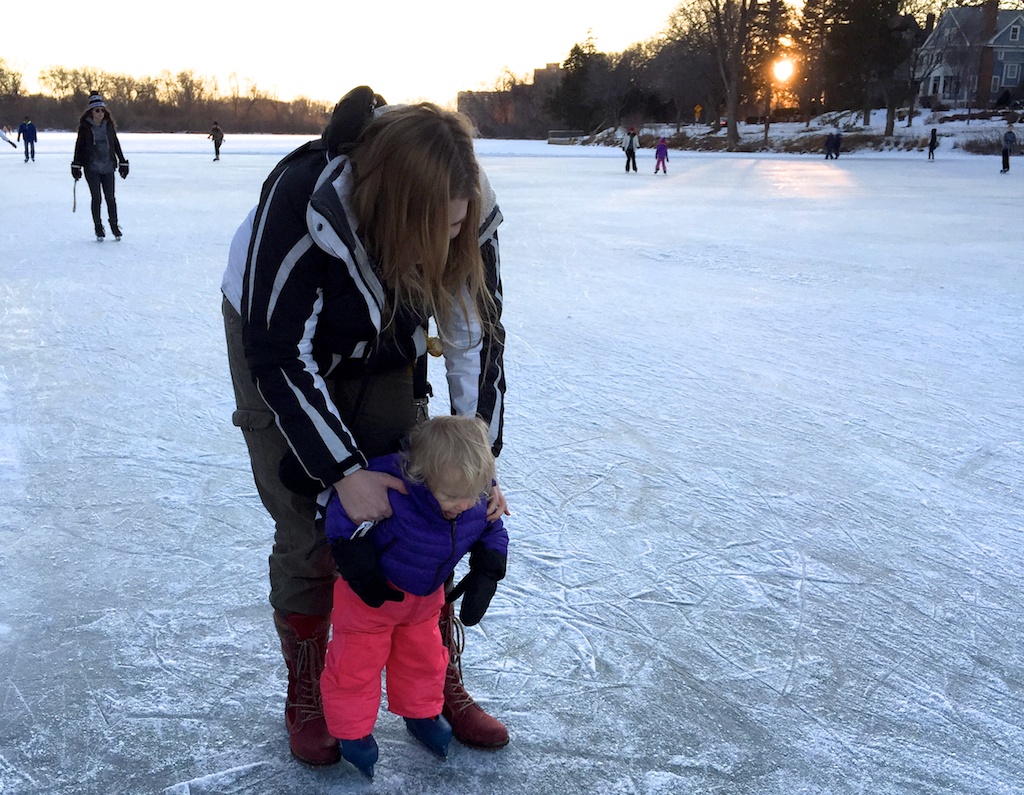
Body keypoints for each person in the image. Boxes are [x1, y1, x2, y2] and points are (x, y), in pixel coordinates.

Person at [220, 86, 509, 767]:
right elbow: (277, 351)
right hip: (279, 338)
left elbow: (477, 336)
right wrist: (344, 474)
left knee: (427, 493)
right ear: (394, 210)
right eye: (433, 230)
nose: (449, 245)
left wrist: (479, 466)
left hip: (385, 326)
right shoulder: (304, 203)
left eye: (456, 228)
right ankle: (312, 684)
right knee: (308, 517)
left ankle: (432, 675)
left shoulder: (465, 208)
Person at [318, 415, 508, 779]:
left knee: (424, 661)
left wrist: (490, 566)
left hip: (423, 603)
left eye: (473, 494)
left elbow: (492, 528)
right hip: (368, 602)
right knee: (354, 668)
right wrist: (356, 564)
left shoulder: (473, 494)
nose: (465, 505)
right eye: (452, 496)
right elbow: (343, 512)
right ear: (422, 476)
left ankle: (422, 713)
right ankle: (352, 732)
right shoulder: (393, 487)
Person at [71, 93, 130, 240]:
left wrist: (122, 161)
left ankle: (114, 226)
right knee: (96, 198)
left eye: (102, 110)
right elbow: (79, 146)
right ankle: (98, 226)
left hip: (108, 166)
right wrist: (76, 164)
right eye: (97, 110)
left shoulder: (109, 126)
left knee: (110, 198)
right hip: (92, 167)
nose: (100, 113)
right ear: (91, 112)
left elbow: (115, 143)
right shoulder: (85, 127)